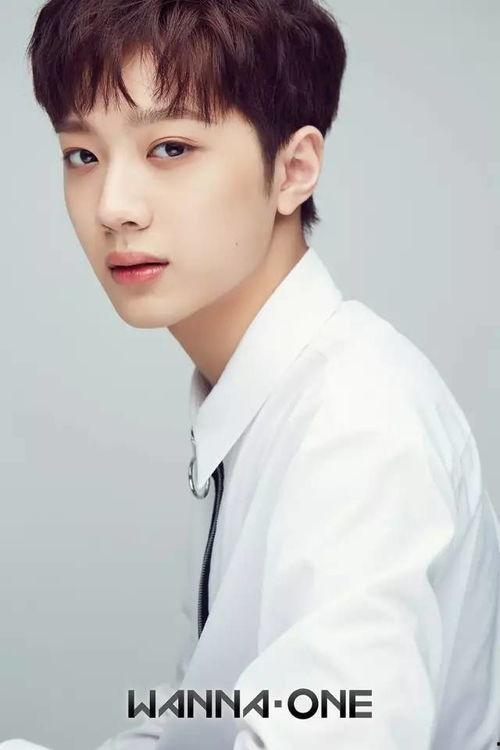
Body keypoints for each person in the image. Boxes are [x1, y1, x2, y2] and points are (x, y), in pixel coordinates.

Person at [2, 0, 499, 748]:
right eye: (82, 155)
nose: (113, 207)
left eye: (170, 147)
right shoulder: (259, 396)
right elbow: (204, 728)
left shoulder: (356, 424)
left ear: (293, 170)